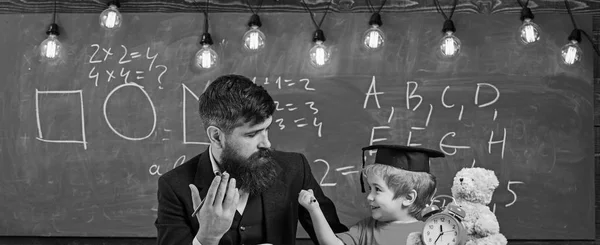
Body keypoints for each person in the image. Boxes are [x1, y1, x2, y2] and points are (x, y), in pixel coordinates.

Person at [155, 74, 347, 245]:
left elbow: (337, 238)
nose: (267, 143)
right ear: (216, 137)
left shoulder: (295, 168)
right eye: (252, 134)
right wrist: (207, 239)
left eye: (266, 129)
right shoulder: (174, 187)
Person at [298, 144, 443, 245]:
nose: (369, 197)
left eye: (377, 189)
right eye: (369, 188)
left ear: (408, 198)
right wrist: (314, 210)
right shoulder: (366, 228)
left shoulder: (430, 232)